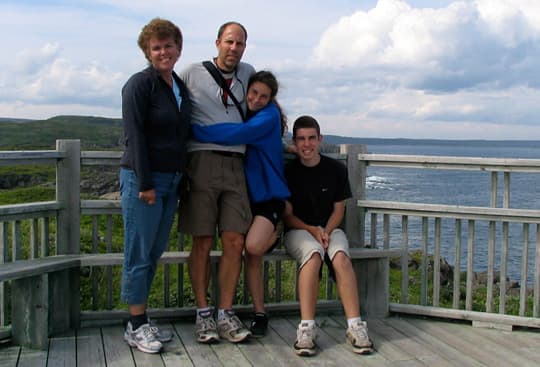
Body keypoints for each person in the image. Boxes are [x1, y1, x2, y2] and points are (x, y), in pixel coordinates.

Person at [191, 70, 290, 337]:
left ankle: (278, 229)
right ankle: (255, 313)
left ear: (271, 99)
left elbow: (238, 133)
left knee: (252, 247)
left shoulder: (266, 117)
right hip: (249, 194)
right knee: (246, 251)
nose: (256, 99)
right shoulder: (254, 113)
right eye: (253, 93)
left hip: (268, 196)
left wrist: (195, 130)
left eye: (263, 96)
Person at [178, 21, 255, 343]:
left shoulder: (249, 72)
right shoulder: (191, 72)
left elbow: (265, 108)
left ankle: (225, 312)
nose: (233, 48)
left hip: (237, 164)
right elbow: (171, 108)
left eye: (239, 44)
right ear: (217, 42)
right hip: (202, 161)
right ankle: (203, 313)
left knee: (235, 240)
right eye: (229, 42)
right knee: (203, 240)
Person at [119, 18, 191, 354]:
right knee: (138, 252)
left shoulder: (178, 86)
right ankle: (135, 324)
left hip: (171, 182)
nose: (163, 51)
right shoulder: (139, 85)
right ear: (148, 52)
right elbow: (134, 137)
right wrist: (145, 184)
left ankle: (140, 320)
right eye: (156, 47)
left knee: (153, 252)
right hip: (144, 181)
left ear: (178, 48)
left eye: (168, 45)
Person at [283, 115, 373, 356]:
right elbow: (288, 216)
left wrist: (327, 231)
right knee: (313, 256)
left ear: (320, 139)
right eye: (301, 139)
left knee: (341, 258)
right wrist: (314, 231)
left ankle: (355, 326)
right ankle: (307, 328)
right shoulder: (289, 172)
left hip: (331, 228)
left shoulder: (336, 169)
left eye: (312, 138)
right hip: (299, 231)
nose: (307, 144)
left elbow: (339, 210)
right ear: (295, 141)